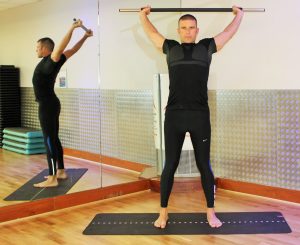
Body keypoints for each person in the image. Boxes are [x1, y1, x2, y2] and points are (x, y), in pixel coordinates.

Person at [139, 6, 243, 228]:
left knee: (204, 165)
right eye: (184, 28)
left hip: (199, 117)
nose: (188, 31)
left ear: (197, 30)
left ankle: (210, 213)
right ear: (179, 30)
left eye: (191, 28)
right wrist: (142, 16)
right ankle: (163, 213)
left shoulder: (206, 47)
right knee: (170, 165)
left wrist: (239, 16)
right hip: (174, 117)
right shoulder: (171, 48)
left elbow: (228, 33)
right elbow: (152, 33)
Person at [32, 20, 93, 187]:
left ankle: (52, 178)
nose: (36, 50)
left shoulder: (52, 59)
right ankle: (61, 171)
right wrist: (85, 37)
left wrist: (72, 28)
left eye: (38, 47)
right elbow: (73, 49)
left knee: (49, 140)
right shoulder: (53, 61)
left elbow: (62, 46)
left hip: (47, 105)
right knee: (54, 138)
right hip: (52, 103)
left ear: (45, 48)